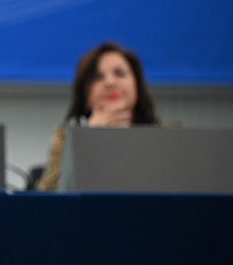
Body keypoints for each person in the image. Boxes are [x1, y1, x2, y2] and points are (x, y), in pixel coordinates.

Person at [35, 41, 170, 191]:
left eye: (120, 74)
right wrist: (88, 136)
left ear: (137, 85)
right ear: (85, 94)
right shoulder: (66, 136)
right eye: (98, 77)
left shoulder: (168, 134)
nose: (110, 82)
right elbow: (48, 194)